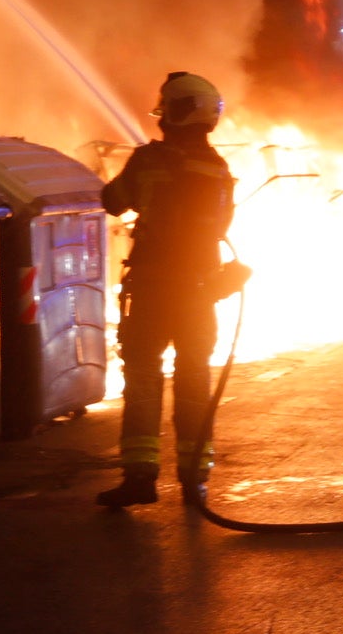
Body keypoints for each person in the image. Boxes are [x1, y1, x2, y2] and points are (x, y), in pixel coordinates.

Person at [96, 71, 239, 509]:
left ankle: (140, 476)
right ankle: (195, 479)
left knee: (143, 376)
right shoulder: (218, 169)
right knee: (194, 379)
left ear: (176, 111)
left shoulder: (148, 161)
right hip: (199, 290)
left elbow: (112, 201)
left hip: (153, 288)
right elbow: (222, 224)